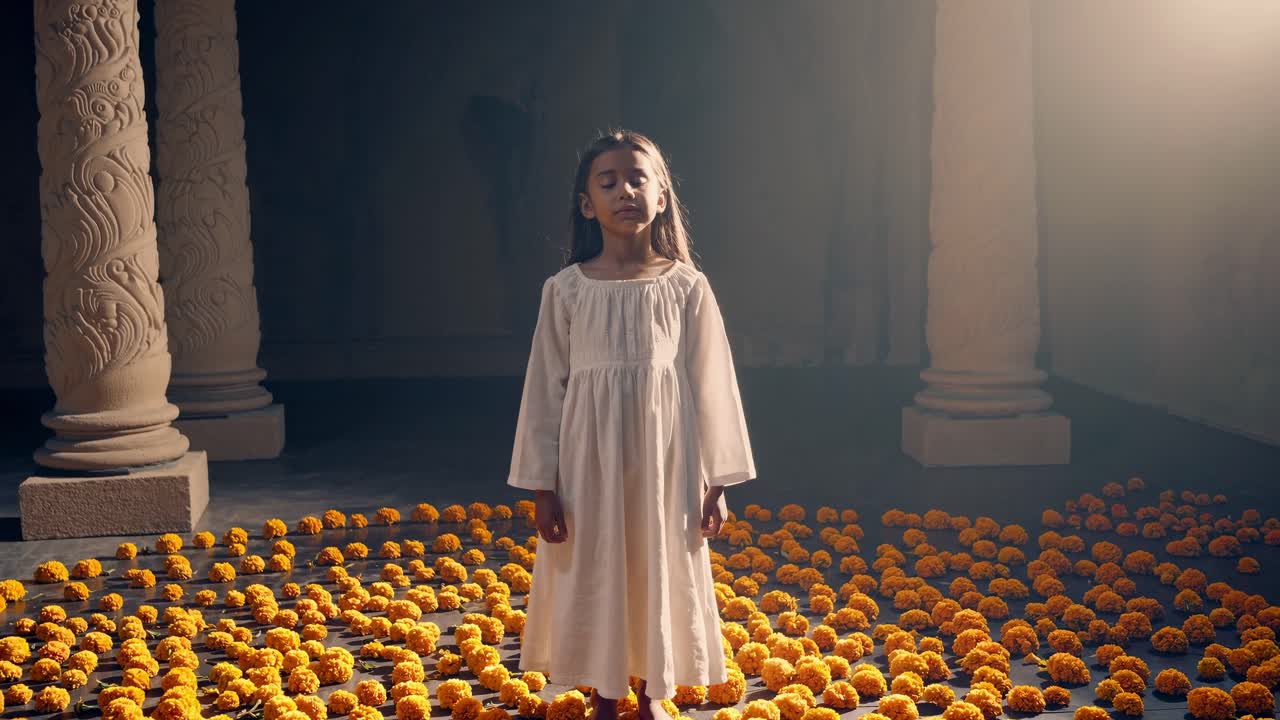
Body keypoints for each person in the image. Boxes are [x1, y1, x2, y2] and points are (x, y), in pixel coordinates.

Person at [507, 128, 757, 720]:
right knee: (595, 565)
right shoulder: (565, 291)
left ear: (662, 196)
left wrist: (716, 480)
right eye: (609, 181)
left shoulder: (686, 286)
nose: (626, 190)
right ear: (586, 203)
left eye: (639, 178)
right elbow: (544, 389)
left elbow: (712, 384)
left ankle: (650, 697)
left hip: (665, 462)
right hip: (586, 464)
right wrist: (544, 486)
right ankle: (604, 695)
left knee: (658, 564)